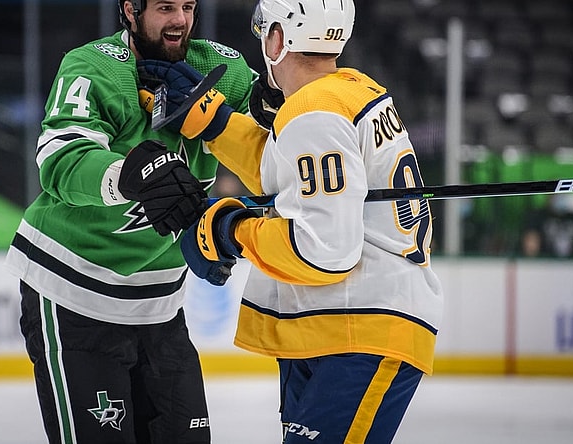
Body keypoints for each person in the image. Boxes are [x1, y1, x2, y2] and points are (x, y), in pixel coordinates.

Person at [139, 0, 444, 442]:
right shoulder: (352, 90)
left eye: (266, 31)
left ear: (279, 39)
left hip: (360, 329)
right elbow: (285, 172)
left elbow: (323, 250)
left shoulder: (314, 110)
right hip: (338, 325)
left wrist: (232, 231)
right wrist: (216, 124)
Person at [3, 1, 258, 442]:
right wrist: (130, 175)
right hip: (73, 293)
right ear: (130, 10)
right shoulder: (93, 66)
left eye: (188, 6)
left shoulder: (221, 68)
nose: (179, 20)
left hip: (161, 309)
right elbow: (61, 159)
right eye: (164, 7)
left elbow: (274, 132)